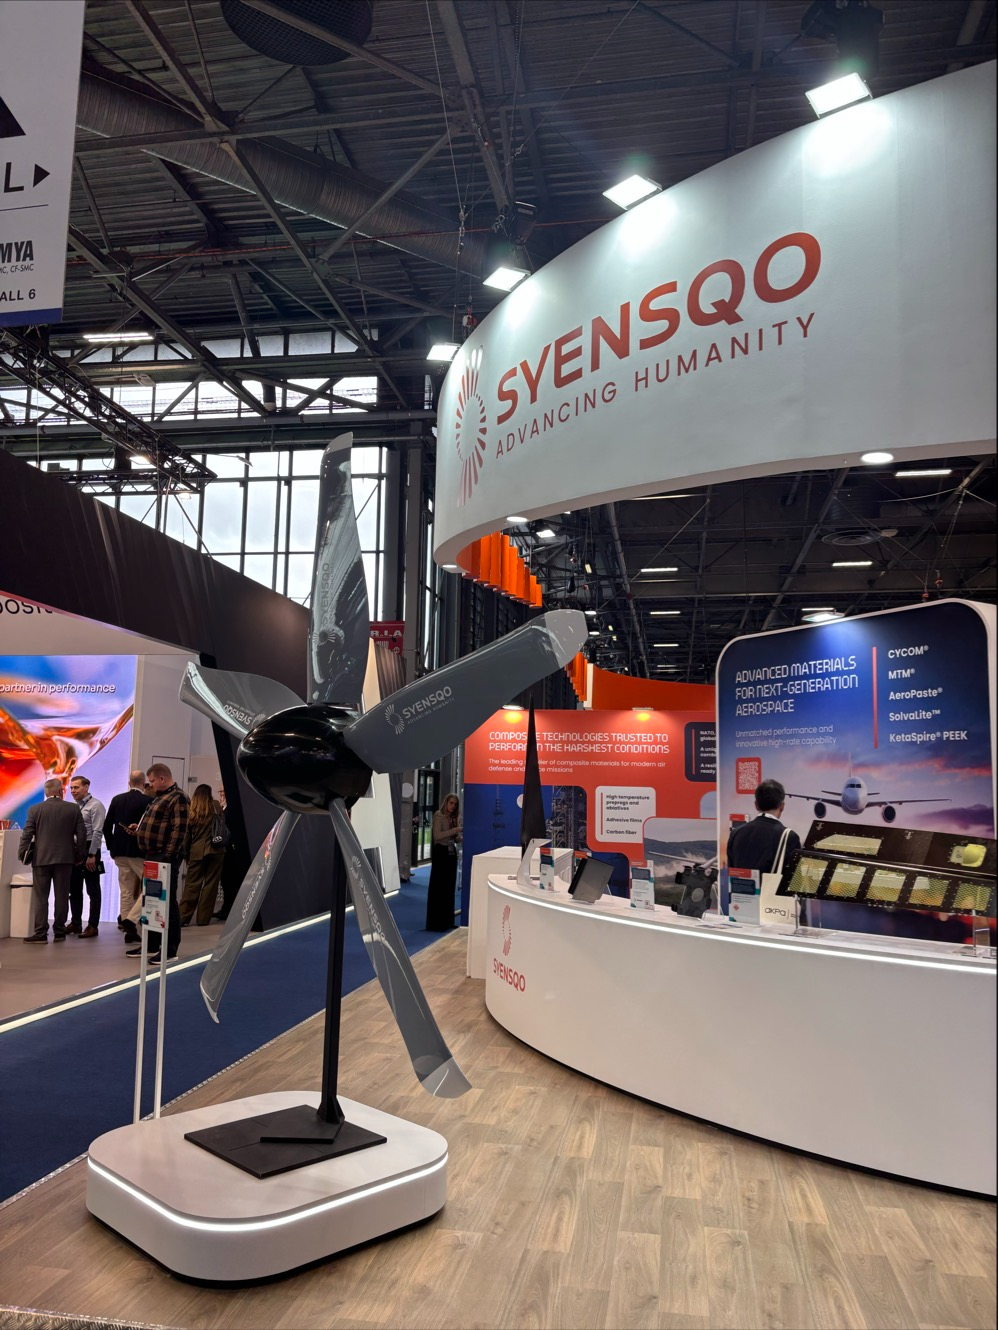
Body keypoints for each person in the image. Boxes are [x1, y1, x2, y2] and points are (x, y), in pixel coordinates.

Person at [126, 762, 189, 963]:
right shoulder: (161, 797)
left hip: (164, 857)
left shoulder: (177, 797)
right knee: (152, 902)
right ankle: (152, 944)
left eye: (152, 781)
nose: (150, 784)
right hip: (153, 856)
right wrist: (140, 830)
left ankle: (170, 949)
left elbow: (179, 829)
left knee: (167, 903)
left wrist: (168, 856)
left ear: (162, 778)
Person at [18, 778, 87, 943]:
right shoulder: (73, 809)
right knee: (62, 896)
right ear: (61, 791)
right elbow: (82, 834)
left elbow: (27, 833)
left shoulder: (35, 809)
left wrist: (22, 853)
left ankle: (41, 933)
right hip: (65, 859)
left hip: (41, 859)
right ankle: (60, 932)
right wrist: (80, 855)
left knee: (41, 898)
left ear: (46, 792)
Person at [104, 770, 152, 946]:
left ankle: (128, 930)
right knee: (150, 886)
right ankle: (131, 920)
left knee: (126, 890)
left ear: (129, 782)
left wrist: (111, 847)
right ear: (143, 783)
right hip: (138, 852)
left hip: (119, 852)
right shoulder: (148, 801)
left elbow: (107, 826)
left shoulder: (117, 799)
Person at [727, 779, 801, 872]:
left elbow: (731, 871)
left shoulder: (735, 833)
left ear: (756, 805)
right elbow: (794, 877)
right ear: (782, 806)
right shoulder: (789, 837)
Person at [179, 784, 227, 926]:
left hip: (197, 851)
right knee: (211, 885)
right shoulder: (216, 806)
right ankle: (203, 919)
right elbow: (222, 823)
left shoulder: (192, 809)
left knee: (192, 885)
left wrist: (186, 854)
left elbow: (187, 836)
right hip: (217, 850)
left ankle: (183, 917)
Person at [67, 775, 106, 938]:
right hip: (76, 850)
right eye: (71, 788)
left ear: (86, 787)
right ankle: (76, 923)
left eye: (76, 787)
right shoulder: (74, 807)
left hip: (91, 849)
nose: (73, 791)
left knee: (93, 889)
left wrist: (92, 854)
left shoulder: (96, 805)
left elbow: (97, 831)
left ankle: (92, 926)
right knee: (74, 888)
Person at [426, 793, 461, 930]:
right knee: (439, 887)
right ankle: (437, 922)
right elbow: (437, 836)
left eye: (455, 804)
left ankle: (447, 921)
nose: (452, 806)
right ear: (446, 802)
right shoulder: (438, 815)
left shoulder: (453, 818)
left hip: (451, 853)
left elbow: (454, 838)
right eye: (451, 803)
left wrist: (459, 836)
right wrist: (454, 830)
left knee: (449, 887)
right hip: (441, 853)